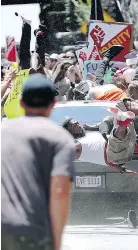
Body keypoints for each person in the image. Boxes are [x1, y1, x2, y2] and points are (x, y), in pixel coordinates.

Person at [1, 74, 76, 250]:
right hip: (34, 231)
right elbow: (60, 190)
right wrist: (56, 241)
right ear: (53, 104)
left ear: (21, 103)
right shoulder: (59, 138)